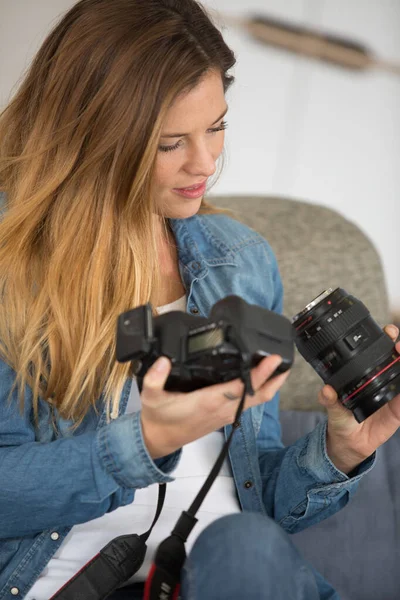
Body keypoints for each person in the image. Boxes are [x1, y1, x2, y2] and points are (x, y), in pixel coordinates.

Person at [0, 1, 399, 599]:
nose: (206, 164)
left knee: (244, 544)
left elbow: (256, 500)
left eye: (216, 127)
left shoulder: (240, 259)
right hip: (68, 583)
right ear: (90, 134)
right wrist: (146, 443)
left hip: (232, 577)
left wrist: (338, 451)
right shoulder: (12, 266)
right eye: (170, 144)